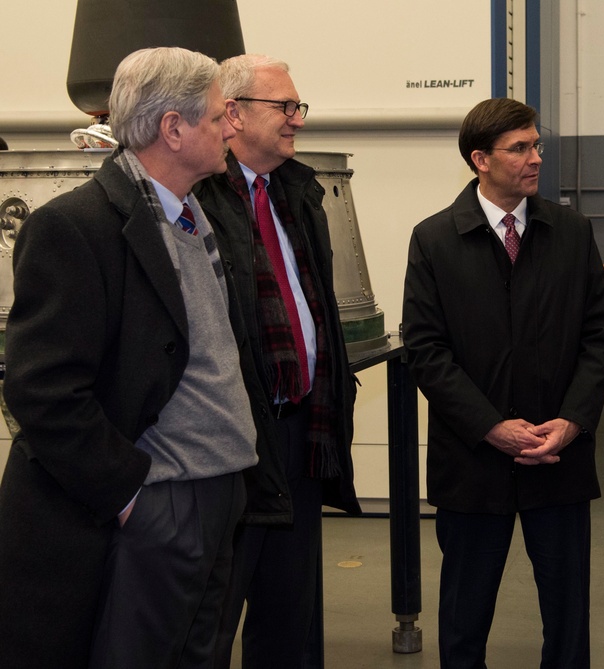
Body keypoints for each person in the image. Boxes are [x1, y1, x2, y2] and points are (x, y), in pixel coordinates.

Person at [0, 47, 267, 669]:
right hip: (158, 498)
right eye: (214, 117)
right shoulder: (76, 227)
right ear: (172, 129)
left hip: (217, 492)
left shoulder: (201, 217)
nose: (231, 127)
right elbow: (41, 390)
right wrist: (130, 497)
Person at [402, 97, 604, 669]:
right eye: (519, 148)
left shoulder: (571, 233)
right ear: (481, 159)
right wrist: (490, 426)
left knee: (569, 617)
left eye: (536, 146)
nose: (535, 159)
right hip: (473, 462)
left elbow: (600, 336)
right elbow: (426, 349)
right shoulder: (434, 240)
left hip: (558, 457)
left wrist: (572, 422)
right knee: (465, 616)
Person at [193, 54, 360, 669]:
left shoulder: (298, 192)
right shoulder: (200, 196)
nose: (298, 121)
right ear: (232, 114)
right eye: (284, 107)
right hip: (233, 442)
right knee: (210, 619)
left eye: (298, 107)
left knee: (289, 620)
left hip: (299, 434)